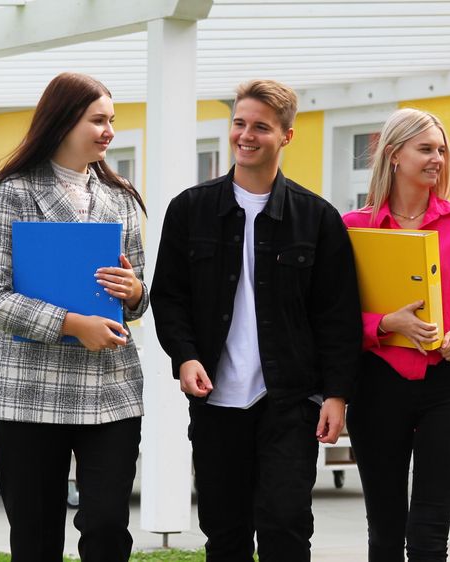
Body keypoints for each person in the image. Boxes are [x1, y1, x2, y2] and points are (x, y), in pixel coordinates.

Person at [151, 79, 362, 562]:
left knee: (286, 528)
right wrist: (184, 357)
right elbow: (169, 297)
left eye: (261, 127)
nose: (246, 135)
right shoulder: (189, 209)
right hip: (217, 399)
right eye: (240, 123)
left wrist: (336, 395)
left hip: (290, 400)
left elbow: (337, 316)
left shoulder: (318, 218)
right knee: (224, 533)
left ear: (286, 136)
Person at [0, 71, 149, 562]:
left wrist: (135, 292)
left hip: (111, 392)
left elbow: (135, 296)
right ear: (63, 121)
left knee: (110, 528)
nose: (109, 131)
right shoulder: (12, 192)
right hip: (31, 394)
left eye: (111, 120)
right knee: (34, 537)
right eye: (98, 120)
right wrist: (72, 323)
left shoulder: (124, 198)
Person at [342, 108, 450, 561]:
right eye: (426, 149)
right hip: (377, 384)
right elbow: (336, 315)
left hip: (448, 387)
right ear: (394, 155)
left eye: (441, 150)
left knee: (430, 535)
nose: (438, 159)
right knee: (385, 532)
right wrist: (387, 325)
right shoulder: (354, 227)